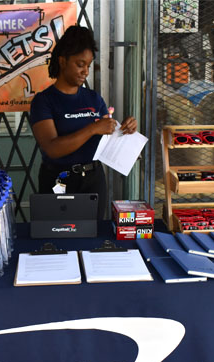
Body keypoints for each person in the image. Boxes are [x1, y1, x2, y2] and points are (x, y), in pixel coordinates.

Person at [29, 25, 137, 218]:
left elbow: (108, 140)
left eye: (88, 65)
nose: (85, 71)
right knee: (58, 238)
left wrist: (126, 131)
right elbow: (52, 148)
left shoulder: (94, 99)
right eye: (80, 64)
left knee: (92, 238)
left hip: (93, 181)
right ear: (62, 61)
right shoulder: (43, 101)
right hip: (58, 180)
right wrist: (93, 128)